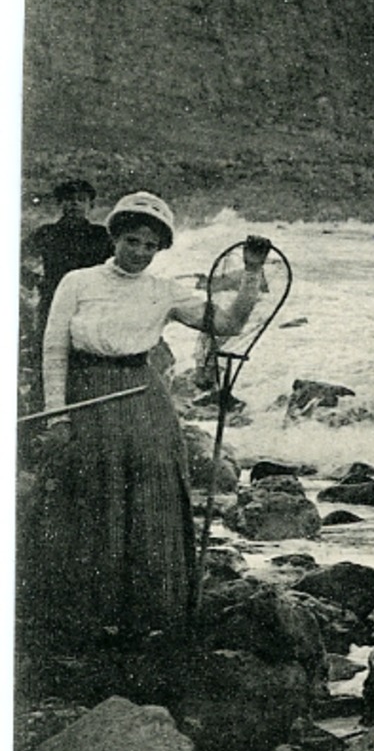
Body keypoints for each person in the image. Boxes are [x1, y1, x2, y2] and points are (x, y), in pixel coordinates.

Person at [21, 192, 271, 652]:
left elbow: (228, 324)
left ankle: (148, 615)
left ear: (159, 250)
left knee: (152, 494)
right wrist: (57, 415)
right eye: (131, 240)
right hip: (89, 396)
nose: (139, 252)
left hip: (144, 397)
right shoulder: (77, 281)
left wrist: (252, 271)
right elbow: (54, 350)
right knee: (92, 494)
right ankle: (88, 616)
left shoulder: (163, 290)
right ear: (115, 237)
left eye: (149, 246)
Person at [20, 179, 112, 407]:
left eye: (81, 200)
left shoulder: (101, 235)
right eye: (69, 200)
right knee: (50, 359)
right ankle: (44, 416)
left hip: (90, 306)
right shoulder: (46, 233)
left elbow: (115, 268)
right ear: (61, 204)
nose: (75, 205)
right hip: (52, 304)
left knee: (90, 359)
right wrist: (32, 280)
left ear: (90, 205)